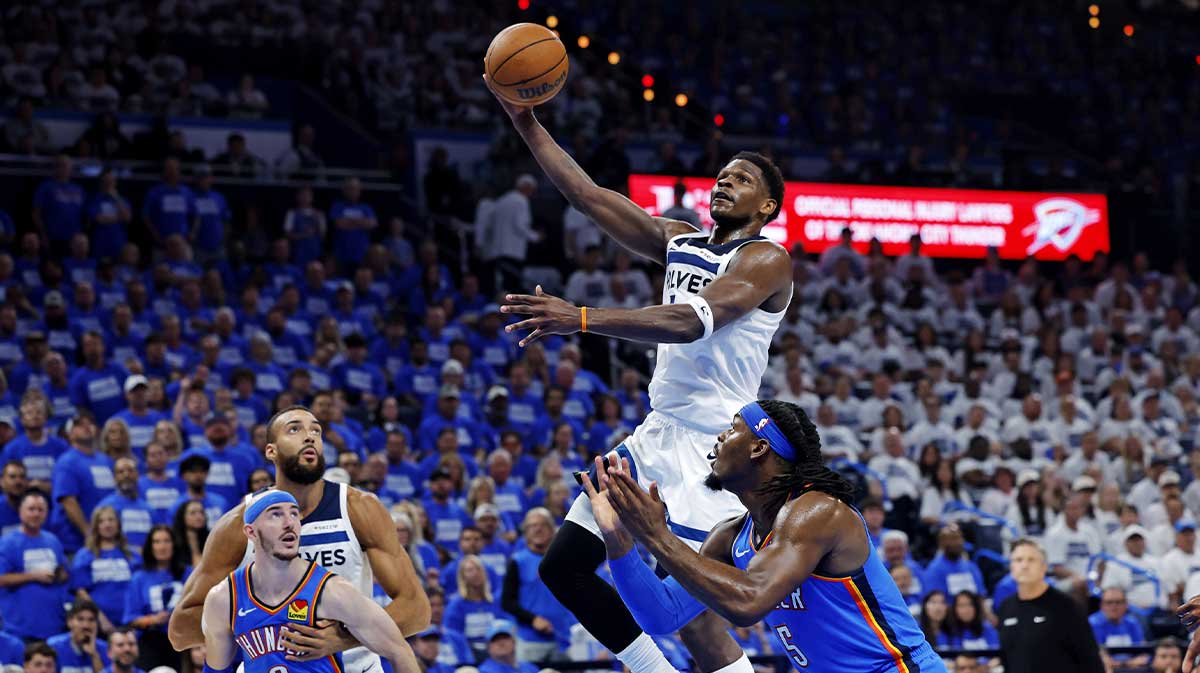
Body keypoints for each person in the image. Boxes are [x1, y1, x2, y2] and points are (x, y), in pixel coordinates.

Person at [488, 75, 793, 673]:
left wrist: (580, 317)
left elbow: (689, 321)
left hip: (716, 444)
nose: (724, 180)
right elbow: (588, 195)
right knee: (564, 566)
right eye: (722, 173)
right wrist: (527, 124)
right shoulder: (679, 241)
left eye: (743, 178)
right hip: (657, 433)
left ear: (767, 207)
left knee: (695, 618)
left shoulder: (766, 259)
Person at [579, 399, 946, 673]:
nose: (721, 435)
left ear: (760, 446)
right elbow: (663, 615)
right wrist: (618, 538)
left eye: (734, 427)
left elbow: (748, 602)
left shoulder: (817, 511)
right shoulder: (730, 537)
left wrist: (657, 535)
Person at [168, 406, 430, 673]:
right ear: (271, 451)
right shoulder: (239, 523)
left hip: (353, 666)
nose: (310, 436)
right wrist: (262, 626)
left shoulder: (358, 509)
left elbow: (417, 609)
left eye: (316, 430)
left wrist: (339, 639)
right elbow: (181, 628)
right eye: (294, 429)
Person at [199, 490, 420, 673]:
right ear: (251, 532)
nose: (290, 523)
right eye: (276, 515)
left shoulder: (332, 592)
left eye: (294, 514)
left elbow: (400, 651)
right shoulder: (224, 598)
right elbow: (218, 669)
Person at [996, 539, 1105, 673]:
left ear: (1044, 567)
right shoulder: (1006, 608)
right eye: (1018, 560)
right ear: (1011, 567)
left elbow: (1091, 659)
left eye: (1031, 560)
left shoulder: (1066, 606)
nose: (1024, 565)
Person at [0, 490, 68, 640]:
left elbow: (63, 571)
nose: (36, 514)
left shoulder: (53, 541)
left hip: (53, 623)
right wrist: (33, 576)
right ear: (20, 512)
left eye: (40, 510)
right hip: (20, 627)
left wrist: (60, 574)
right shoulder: (7, 543)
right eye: (31, 509)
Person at [47, 601, 109, 673]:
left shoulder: (104, 648)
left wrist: (94, 655)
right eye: (80, 619)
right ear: (69, 622)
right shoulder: (54, 646)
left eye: (91, 620)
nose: (86, 625)